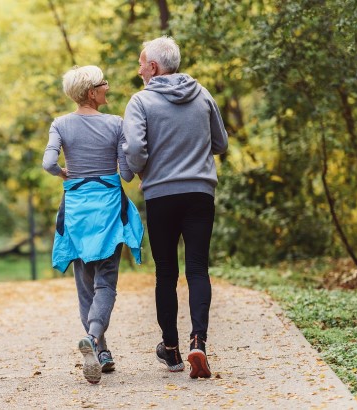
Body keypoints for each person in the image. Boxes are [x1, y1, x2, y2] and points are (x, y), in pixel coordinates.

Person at [122, 36, 228, 379]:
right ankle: (199, 341)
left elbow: (135, 149)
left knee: (166, 272)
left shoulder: (140, 102)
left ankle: (171, 350)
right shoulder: (203, 94)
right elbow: (221, 142)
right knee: (198, 268)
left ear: (153, 67)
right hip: (200, 192)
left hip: (161, 195)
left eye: (141, 63)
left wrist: (144, 171)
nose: (139, 70)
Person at [43, 65, 144, 384]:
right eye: (103, 84)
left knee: (85, 284)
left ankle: (100, 349)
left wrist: (64, 173)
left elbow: (48, 163)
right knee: (106, 283)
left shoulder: (60, 124)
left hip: (76, 212)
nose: (107, 87)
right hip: (108, 210)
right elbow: (127, 174)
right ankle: (96, 335)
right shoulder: (116, 124)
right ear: (91, 92)